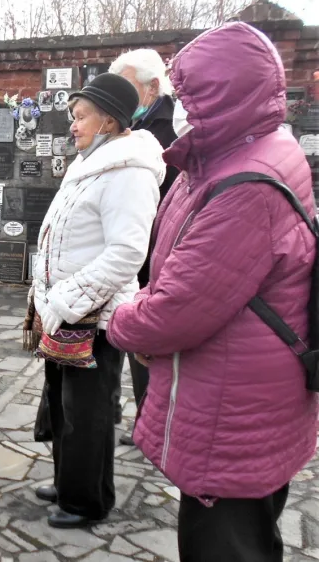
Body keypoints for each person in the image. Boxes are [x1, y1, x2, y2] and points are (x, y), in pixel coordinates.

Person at [107, 22, 318, 562]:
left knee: (224, 544)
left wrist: (123, 319)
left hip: (233, 407)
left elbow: (180, 309)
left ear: (225, 92)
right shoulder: (231, 152)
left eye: (189, 93)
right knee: (247, 536)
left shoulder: (245, 183)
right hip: (243, 391)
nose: (180, 106)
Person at [29, 73, 164, 528]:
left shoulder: (129, 172)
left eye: (81, 116)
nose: (73, 124)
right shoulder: (90, 164)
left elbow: (127, 252)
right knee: (63, 404)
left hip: (94, 316)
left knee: (88, 412)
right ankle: (68, 481)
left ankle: (87, 500)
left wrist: (66, 299)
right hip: (65, 312)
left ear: (109, 120)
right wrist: (46, 295)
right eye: (73, 116)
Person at [109, 48, 180, 446]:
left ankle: (151, 424)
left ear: (152, 87)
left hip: (155, 252)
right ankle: (136, 416)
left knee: (148, 344)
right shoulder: (128, 124)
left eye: (127, 86)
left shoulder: (168, 130)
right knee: (129, 339)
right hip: (132, 249)